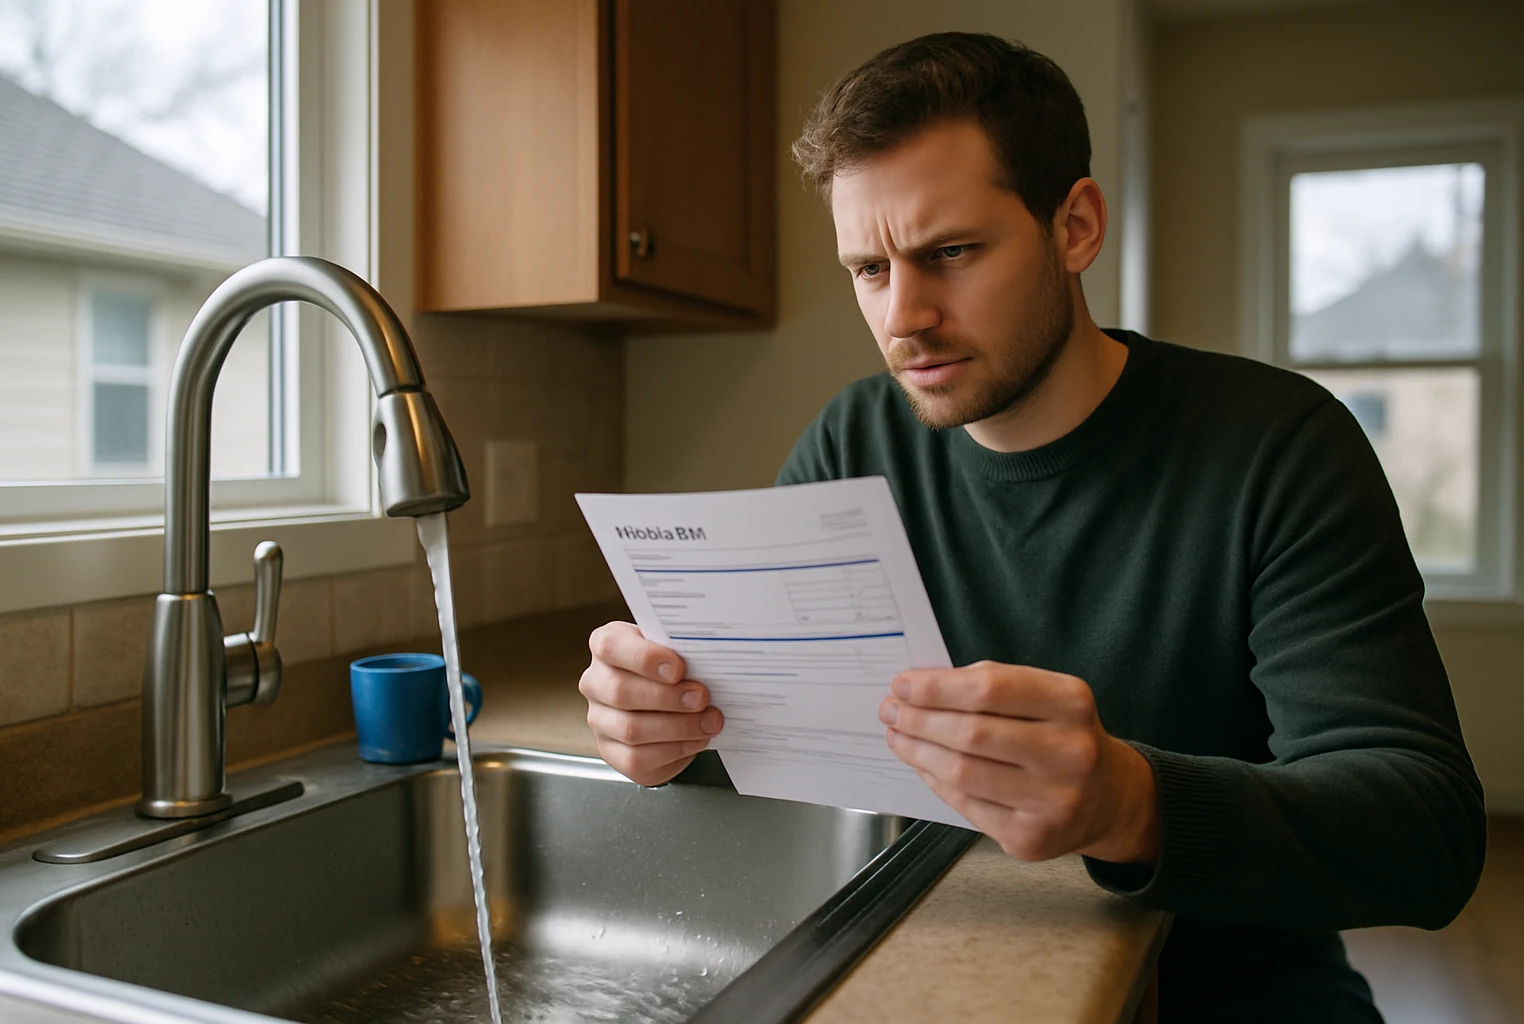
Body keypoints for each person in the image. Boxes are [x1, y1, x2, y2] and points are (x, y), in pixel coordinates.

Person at [576, 31, 1485, 1022]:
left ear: (1077, 225)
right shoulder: (852, 439)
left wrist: (1129, 802)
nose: (903, 316)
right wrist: (670, 727)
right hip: (929, 969)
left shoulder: (1280, 448)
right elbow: (788, 743)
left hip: (1240, 992)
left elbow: (1426, 835)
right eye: (869, 268)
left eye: (950, 253)